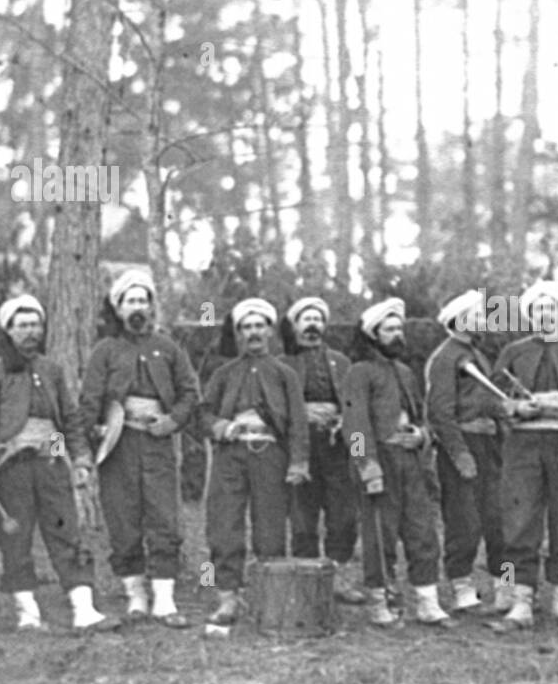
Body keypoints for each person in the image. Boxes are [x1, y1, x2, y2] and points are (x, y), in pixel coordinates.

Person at [0, 295, 118, 633]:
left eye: (35, 324)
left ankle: (83, 608)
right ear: (8, 330)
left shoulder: (51, 371)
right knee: (16, 540)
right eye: (22, 326)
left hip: (51, 460)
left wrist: (80, 460)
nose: (30, 332)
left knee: (66, 532)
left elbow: (69, 419)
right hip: (12, 466)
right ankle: (28, 613)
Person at [80, 269, 200, 628]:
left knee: (164, 517)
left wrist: (172, 421)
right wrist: (96, 430)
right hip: (118, 446)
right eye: (130, 301)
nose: (137, 307)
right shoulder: (105, 351)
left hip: (158, 443)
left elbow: (190, 392)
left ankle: (165, 599)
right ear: (118, 308)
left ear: (152, 307)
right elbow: (89, 399)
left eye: (143, 300)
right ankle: (135, 596)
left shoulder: (169, 348)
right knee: (123, 519)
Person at [489, 280, 558, 631]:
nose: (544, 316)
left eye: (550, 310)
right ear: (529, 316)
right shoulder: (514, 353)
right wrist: (515, 407)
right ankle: (519, 601)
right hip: (523, 448)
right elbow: (490, 399)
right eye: (538, 310)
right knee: (520, 522)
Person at [200, 299, 311, 626]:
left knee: (270, 526)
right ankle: (227, 598)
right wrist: (220, 426)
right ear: (238, 333)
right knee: (224, 524)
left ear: (270, 330)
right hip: (230, 456)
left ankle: (269, 597)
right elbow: (203, 413)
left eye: (259, 326)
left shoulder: (284, 373)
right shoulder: (224, 373)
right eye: (246, 327)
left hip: (270, 456)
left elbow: (298, 422)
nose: (253, 333)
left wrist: (299, 462)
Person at [343, 298, 451, 629]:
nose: (396, 335)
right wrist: (367, 465)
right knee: (380, 534)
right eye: (388, 330)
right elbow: (355, 425)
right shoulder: (358, 373)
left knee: (422, 531)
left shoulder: (405, 372)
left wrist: (421, 436)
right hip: (381, 462)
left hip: (411, 462)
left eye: (398, 329)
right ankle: (380, 602)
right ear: (373, 334)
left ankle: (427, 603)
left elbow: (423, 418)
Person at [424, 289, 512, 613]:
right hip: (462, 446)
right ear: (460, 320)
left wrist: (509, 411)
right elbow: (440, 413)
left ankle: (507, 587)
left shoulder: (478, 355)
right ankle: (462, 591)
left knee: (499, 520)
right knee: (464, 522)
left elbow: (488, 401)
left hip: (491, 446)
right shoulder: (445, 357)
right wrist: (459, 454)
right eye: (478, 315)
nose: (484, 321)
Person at [278, 297, 364, 604]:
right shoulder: (282, 363)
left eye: (317, 319)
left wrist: (344, 420)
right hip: (300, 448)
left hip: (336, 447)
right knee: (302, 514)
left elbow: (355, 401)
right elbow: (272, 407)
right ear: (295, 325)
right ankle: (307, 581)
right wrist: (302, 414)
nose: (312, 324)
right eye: (306, 319)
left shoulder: (341, 362)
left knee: (343, 514)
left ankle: (337, 577)